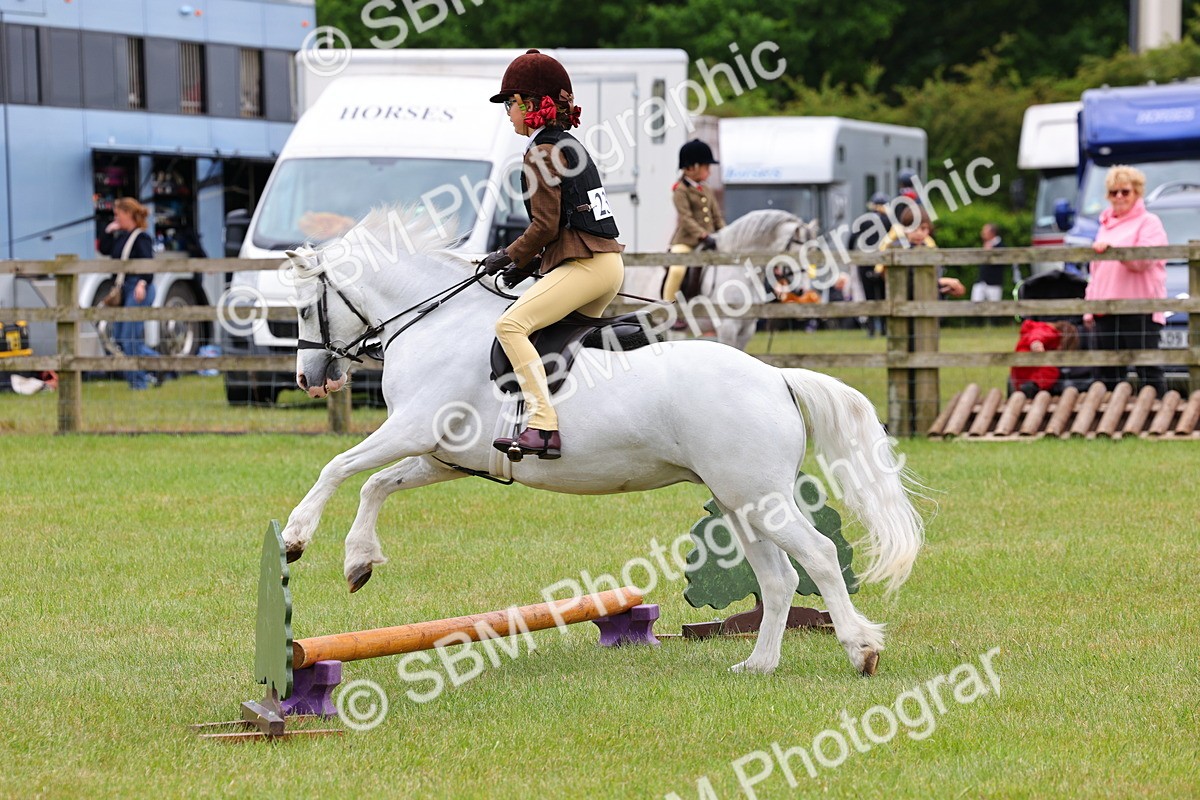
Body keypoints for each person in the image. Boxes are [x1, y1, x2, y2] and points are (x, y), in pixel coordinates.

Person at [482, 50, 625, 460]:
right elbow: (561, 224)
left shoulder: (540, 152)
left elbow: (544, 226)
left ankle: (543, 424)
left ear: (528, 104)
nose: (508, 112)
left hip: (587, 265)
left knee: (511, 327)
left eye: (510, 103)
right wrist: (523, 265)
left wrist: (506, 257)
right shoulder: (567, 144)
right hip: (605, 263)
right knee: (554, 342)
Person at [1084, 165, 1168, 394]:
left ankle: (1157, 421)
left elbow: (1144, 260)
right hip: (1105, 310)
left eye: (1125, 191)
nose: (1119, 197)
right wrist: (1089, 308)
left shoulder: (1150, 222)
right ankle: (1108, 423)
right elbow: (1096, 272)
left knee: (1148, 370)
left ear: (1137, 193)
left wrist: (1116, 250)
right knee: (1106, 373)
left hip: (1139, 308)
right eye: (1114, 192)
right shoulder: (1104, 226)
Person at [98, 197, 158, 390]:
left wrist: (141, 284)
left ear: (128, 214)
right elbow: (104, 249)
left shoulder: (141, 237)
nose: (116, 218)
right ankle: (163, 365)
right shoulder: (121, 237)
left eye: (118, 214)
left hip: (138, 287)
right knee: (119, 337)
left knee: (130, 337)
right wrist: (108, 231)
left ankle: (139, 384)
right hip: (125, 289)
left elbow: (148, 265)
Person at [663, 139, 724, 303]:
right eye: (706, 167)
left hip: (710, 240)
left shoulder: (706, 189)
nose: (709, 172)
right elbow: (685, 218)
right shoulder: (680, 190)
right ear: (693, 167)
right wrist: (703, 235)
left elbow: (716, 217)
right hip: (687, 242)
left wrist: (724, 234)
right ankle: (668, 307)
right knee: (677, 270)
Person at [877, 206, 965, 298]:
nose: (918, 233)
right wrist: (942, 282)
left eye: (923, 228)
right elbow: (906, 284)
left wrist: (946, 288)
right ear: (904, 229)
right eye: (914, 228)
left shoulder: (931, 249)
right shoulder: (898, 249)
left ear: (929, 230)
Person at [848, 192, 891, 336]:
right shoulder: (889, 220)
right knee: (884, 295)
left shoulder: (864, 219)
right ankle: (885, 328)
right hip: (883, 262)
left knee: (869, 296)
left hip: (865, 262)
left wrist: (852, 256)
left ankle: (871, 329)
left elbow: (852, 238)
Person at [1010, 319, 1079, 395]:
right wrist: (1036, 342)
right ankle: (1035, 387)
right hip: (1030, 357)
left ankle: (1025, 388)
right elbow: (1039, 334)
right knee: (1051, 371)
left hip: (1021, 362)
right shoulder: (1052, 331)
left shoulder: (1040, 328)